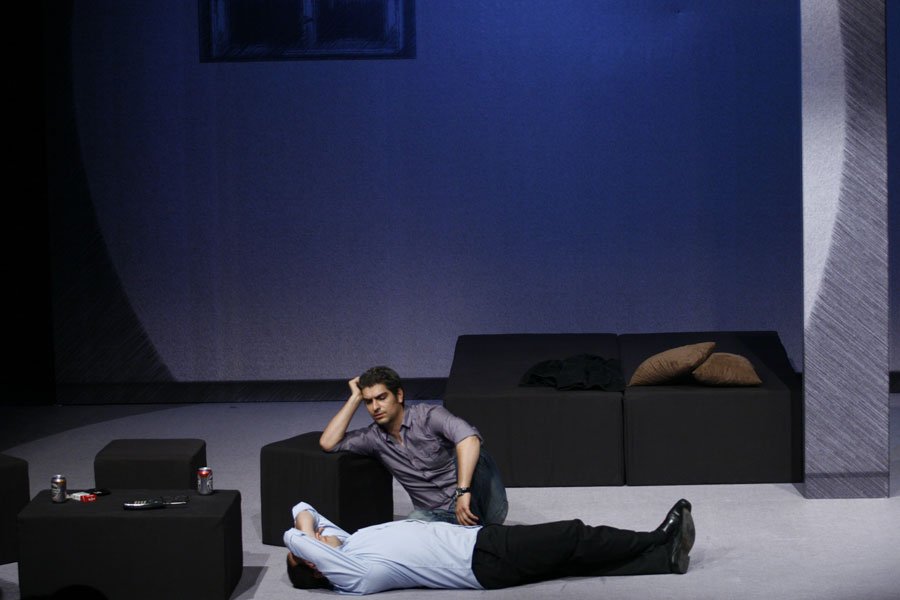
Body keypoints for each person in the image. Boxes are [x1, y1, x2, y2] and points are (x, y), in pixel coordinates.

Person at [283, 498, 696, 593]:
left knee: (573, 559)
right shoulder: (353, 577)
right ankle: (658, 537)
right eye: (310, 547)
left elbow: (303, 509)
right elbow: (295, 533)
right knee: (572, 535)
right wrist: (306, 540)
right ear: (316, 564)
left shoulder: (350, 543)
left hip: (480, 544)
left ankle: (665, 559)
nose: (316, 536)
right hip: (483, 560)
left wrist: (312, 535)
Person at [319, 366, 508, 526]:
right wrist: (354, 398)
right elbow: (328, 442)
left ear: (399, 395)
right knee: (410, 528)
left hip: (474, 500)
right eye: (368, 401)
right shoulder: (373, 438)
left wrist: (463, 491)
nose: (375, 407)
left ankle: (483, 530)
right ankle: (469, 536)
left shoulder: (428, 416)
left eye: (381, 398)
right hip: (435, 514)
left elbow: (469, 439)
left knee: (475, 453)